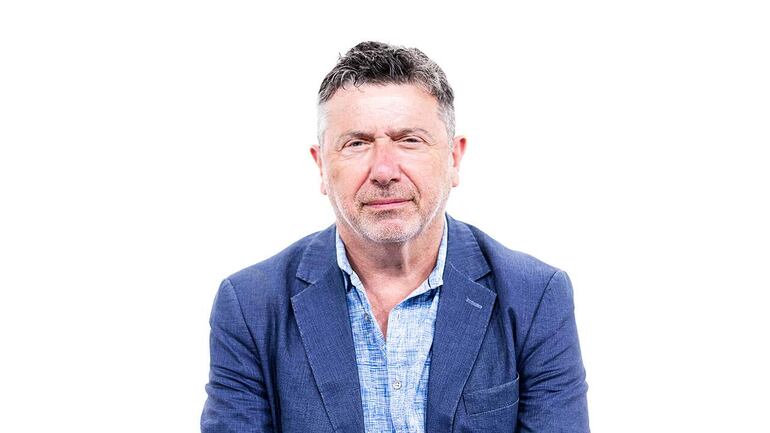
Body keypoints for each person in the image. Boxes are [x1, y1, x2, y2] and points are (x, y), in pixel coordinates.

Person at [201, 41, 589, 433]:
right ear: (321, 167)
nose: (384, 171)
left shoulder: (536, 297)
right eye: (357, 143)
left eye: (409, 140)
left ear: (454, 158)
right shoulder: (250, 307)